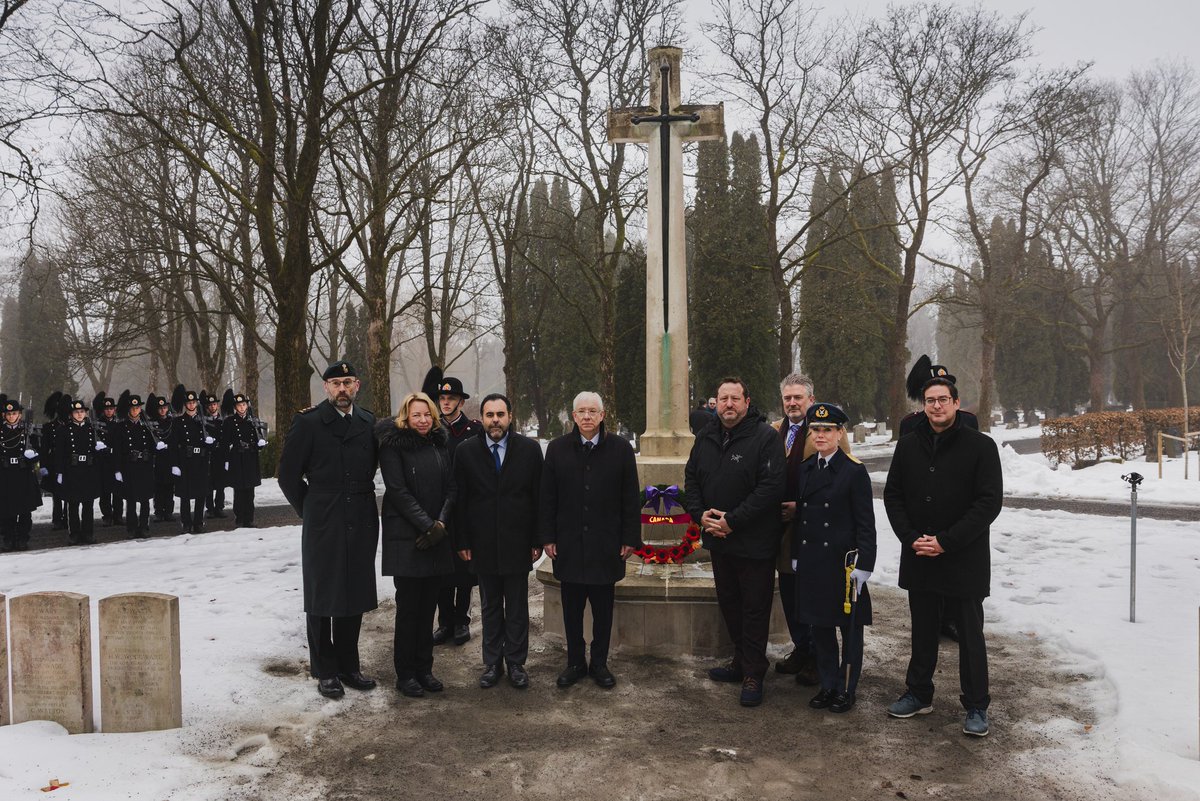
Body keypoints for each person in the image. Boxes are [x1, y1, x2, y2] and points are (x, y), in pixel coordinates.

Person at [883, 375, 1002, 737]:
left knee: (969, 634)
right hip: (920, 554)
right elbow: (894, 496)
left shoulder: (980, 446)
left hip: (962, 558)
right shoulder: (907, 446)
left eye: (943, 399)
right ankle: (919, 693)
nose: (936, 405)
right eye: (930, 400)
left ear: (956, 402)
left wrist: (947, 541)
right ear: (923, 405)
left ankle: (977, 705)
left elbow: (988, 502)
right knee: (922, 631)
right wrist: (911, 538)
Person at [278, 360, 380, 700]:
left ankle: (350, 665)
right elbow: (288, 475)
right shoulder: (308, 423)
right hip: (324, 517)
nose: (342, 389)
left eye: (347, 382)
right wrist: (310, 509)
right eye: (335, 383)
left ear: (357, 386)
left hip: (362, 517)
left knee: (354, 592)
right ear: (325, 388)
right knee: (322, 595)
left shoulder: (368, 423)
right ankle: (325, 670)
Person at [684, 377, 786, 707]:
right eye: (723, 398)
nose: (728, 404)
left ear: (746, 401)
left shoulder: (765, 438)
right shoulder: (706, 436)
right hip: (718, 540)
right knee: (730, 603)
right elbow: (691, 478)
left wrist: (732, 520)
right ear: (716, 401)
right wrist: (701, 516)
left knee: (754, 608)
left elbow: (769, 489)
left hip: (753, 541)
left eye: (734, 398)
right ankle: (741, 662)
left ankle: (755, 672)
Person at [540, 391, 640, 689]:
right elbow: (547, 497)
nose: (586, 416)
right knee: (571, 610)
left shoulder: (621, 449)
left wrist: (629, 538)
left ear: (602, 415)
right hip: (568, 544)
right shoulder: (557, 450)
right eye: (581, 411)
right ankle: (575, 662)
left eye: (592, 411)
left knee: (602, 610)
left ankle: (599, 663)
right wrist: (547, 536)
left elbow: (630, 498)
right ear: (573, 416)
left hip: (605, 545)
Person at [452, 392, 543, 690]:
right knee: (490, 605)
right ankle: (492, 663)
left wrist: (536, 540)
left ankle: (516, 663)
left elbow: (537, 498)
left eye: (500, 415)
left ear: (509, 416)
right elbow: (460, 500)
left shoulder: (529, 450)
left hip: (518, 542)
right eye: (490, 415)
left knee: (517, 606)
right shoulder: (466, 452)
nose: (495, 421)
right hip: (482, 543)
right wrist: (462, 540)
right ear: (482, 417)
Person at [790, 402, 875, 713]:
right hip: (814, 561)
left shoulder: (854, 472)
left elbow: (866, 524)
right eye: (815, 430)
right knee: (821, 629)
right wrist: (797, 555)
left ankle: (847, 688)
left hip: (843, 565)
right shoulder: (806, 469)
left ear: (841, 433)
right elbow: (802, 518)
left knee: (849, 630)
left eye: (827, 430)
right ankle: (828, 685)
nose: (821, 435)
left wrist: (865, 565)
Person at [376, 391, 456, 697]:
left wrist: (441, 524)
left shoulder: (440, 443)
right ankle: (405, 672)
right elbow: (397, 490)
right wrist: (427, 525)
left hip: (437, 535)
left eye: (427, 415)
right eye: (416, 415)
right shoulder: (393, 446)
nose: (422, 420)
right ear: (405, 417)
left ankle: (425, 668)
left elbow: (452, 487)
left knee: (428, 608)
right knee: (408, 609)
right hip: (408, 538)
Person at [771, 373, 818, 685]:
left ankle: (818, 656)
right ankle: (802, 648)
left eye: (798, 397)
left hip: (813, 529)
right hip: (780, 529)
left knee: (812, 594)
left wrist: (801, 508)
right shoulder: (775, 432)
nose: (792, 403)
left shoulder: (826, 432)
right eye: (787, 398)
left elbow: (836, 484)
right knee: (789, 592)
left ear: (810, 400)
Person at [433, 375, 483, 647]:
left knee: (464, 569)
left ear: (461, 402)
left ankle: (462, 620)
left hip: (466, 507)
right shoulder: (432, 429)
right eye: (442, 398)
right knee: (442, 569)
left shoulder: (474, 430)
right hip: (440, 508)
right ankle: (444, 622)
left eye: (451, 398)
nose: (446, 403)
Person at [55, 398, 103, 545]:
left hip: (88, 470)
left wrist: (100, 450)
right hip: (72, 470)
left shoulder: (91, 429)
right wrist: (60, 472)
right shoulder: (64, 430)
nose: (80, 414)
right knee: (73, 504)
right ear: (71, 414)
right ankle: (74, 534)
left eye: (82, 412)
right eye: (76, 412)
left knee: (88, 504)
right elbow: (59, 453)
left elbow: (96, 454)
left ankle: (88, 533)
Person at [168, 387, 213, 534]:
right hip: (185, 461)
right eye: (189, 402)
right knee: (185, 495)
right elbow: (173, 445)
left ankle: (198, 522)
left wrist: (210, 442)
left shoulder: (203, 421)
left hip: (200, 461)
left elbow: (213, 442)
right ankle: (186, 522)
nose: (192, 405)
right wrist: (174, 464)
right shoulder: (178, 422)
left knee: (201, 493)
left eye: (194, 402)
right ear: (185, 404)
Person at [0, 397, 42, 551]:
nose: (11, 416)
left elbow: (39, 452)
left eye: (14, 413)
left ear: (19, 414)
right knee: (6, 510)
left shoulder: (27, 431)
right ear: (4, 415)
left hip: (23, 473)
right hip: (5, 475)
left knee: (25, 511)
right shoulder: (1, 431)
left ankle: (23, 538)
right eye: (8, 414)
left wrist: (34, 456)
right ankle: (8, 539)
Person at [113, 393, 157, 538]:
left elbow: (152, 446)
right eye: (132, 408)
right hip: (129, 466)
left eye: (137, 408)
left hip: (144, 466)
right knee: (131, 500)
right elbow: (117, 450)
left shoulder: (147, 426)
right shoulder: (120, 427)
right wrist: (117, 469)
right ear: (128, 409)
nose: (135, 410)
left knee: (145, 499)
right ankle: (131, 528)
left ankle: (144, 527)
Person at [220, 391, 267, 528]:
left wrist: (260, 445)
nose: (241, 407)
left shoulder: (253, 420)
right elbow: (224, 443)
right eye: (239, 405)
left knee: (250, 491)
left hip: (250, 457)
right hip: (237, 457)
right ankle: (239, 518)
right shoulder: (229, 422)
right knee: (239, 490)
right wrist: (227, 460)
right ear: (235, 407)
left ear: (247, 406)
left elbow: (259, 438)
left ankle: (249, 518)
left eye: (243, 404)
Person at [146, 394, 176, 522]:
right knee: (158, 487)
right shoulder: (151, 423)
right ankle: (158, 511)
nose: (163, 410)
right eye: (160, 408)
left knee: (169, 486)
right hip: (157, 459)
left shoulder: (172, 422)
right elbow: (147, 442)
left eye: (164, 407)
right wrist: (155, 447)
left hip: (169, 457)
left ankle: (168, 511)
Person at [95, 394, 122, 527]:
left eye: (111, 408)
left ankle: (118, 516)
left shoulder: (119, 423)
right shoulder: (98, 423)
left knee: (118, 490)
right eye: (106, 409)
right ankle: (107, 515)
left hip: (116, 459)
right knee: (105, 491)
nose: (109, 411)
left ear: (114, 410)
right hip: (103, 461)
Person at [203, 392, 228, 519]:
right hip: (208, 455)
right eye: (210, 405)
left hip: (220, 454)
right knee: (209, 483)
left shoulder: (223, 421)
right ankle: (210, 508)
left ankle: (219, 507)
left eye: (214, 404)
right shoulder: (204, 421)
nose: (212, 407)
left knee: (220, 483)